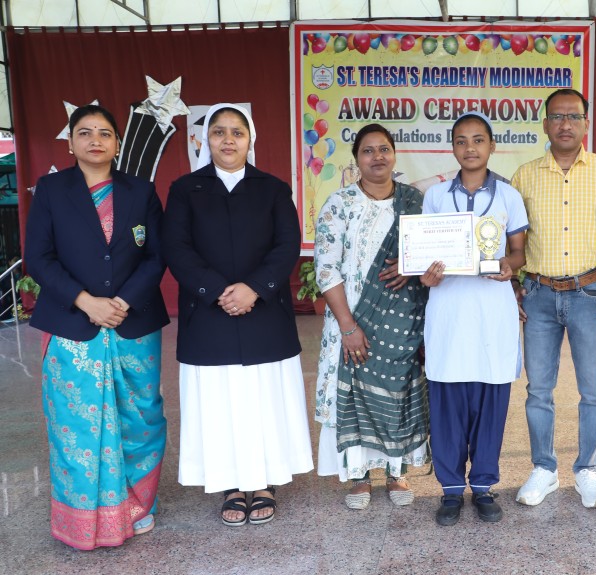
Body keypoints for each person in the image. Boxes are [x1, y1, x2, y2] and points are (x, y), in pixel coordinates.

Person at [25, 104, 169, 549]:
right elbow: (38, 258)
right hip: (72, 324)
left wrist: (121, 302)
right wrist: (86, 302)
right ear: (70, 143)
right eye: (84, 132)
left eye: (105, 133)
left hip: (133, 322)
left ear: (118, 144)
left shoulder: (140, 191)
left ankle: (137, 505)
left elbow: (156, 255)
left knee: (140, 418)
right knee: (77, 425)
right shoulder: (51, 190)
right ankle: (84, 517)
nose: (95, 140)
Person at [163, 104, 313, 526]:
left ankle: (264, 481)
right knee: (219, 404)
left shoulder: (273, 188)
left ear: (250, 140)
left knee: (263, 400)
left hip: (264, 313)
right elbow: (175, 247)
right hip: (207, 315)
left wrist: (254, 289)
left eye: (237, 132)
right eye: (219, 132)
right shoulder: (185, 189)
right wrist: (217, 291)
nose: (228, 140)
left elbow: (287, 245)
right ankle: (230, 483)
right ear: (204, 140)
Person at [510, 88, 596, 509]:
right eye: (557, 117)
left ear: (586, 124)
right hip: (538, 294)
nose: (565, 124)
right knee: (538, 389)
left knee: (593, 389)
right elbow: (513, 239)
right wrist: (513, 286)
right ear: (545, 124)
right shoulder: (524, 175)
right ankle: (544, 468)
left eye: (574, 117)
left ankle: (588, 469)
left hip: (590, 293)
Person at [314, 123, 430, 510]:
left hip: (403, 321)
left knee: (399, 393)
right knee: (353, 392)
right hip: (351, 318)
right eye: (368, 150)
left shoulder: (415, 201)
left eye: (384, 149)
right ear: (356, 159)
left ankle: (397, 473)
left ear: (394, 155)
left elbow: (432, 256)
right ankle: (359, 477)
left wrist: (413, 266)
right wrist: (348, 326)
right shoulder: (340, 203)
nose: (377, 157)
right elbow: (326, 269)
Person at [420, 112, 528, 526]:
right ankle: (450, 489)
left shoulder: (508, 196)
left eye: (478, 140)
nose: (470, 148)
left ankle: (483, 485)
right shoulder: (435, 196)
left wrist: (508, 265)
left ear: (491, 146)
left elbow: (518, 252)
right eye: (461, 141)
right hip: (449, 310)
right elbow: (422, 253)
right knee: (447, 401)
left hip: (492, 311)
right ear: (452, 147)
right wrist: (426, 275)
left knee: (490, 400)